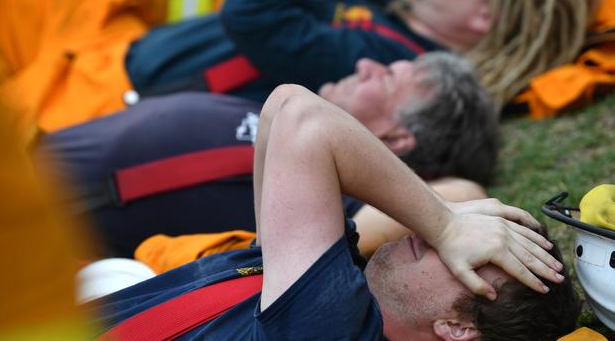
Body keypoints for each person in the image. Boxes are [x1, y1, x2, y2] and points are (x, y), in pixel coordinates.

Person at [93, 84, 577, 340]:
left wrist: (447, 222)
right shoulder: (336, 290)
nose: (434, 239)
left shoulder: (332, 328)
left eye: (469, 254)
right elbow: (282, 105)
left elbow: (306, 121)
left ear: (458, 328)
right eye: (475, 231)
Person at [0, 0, 601, 136]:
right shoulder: (391, 10)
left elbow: (256, 15)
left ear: (482, 16)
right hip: (100, 57)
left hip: (101, 98)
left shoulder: (389, 55)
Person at [37, 52, 497, 257]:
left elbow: (461, 194)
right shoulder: (273, 107)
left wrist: (440, 217)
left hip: (21, 213)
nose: (364, 64)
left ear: (395, 140)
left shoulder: (321, 194)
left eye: (386, 78)